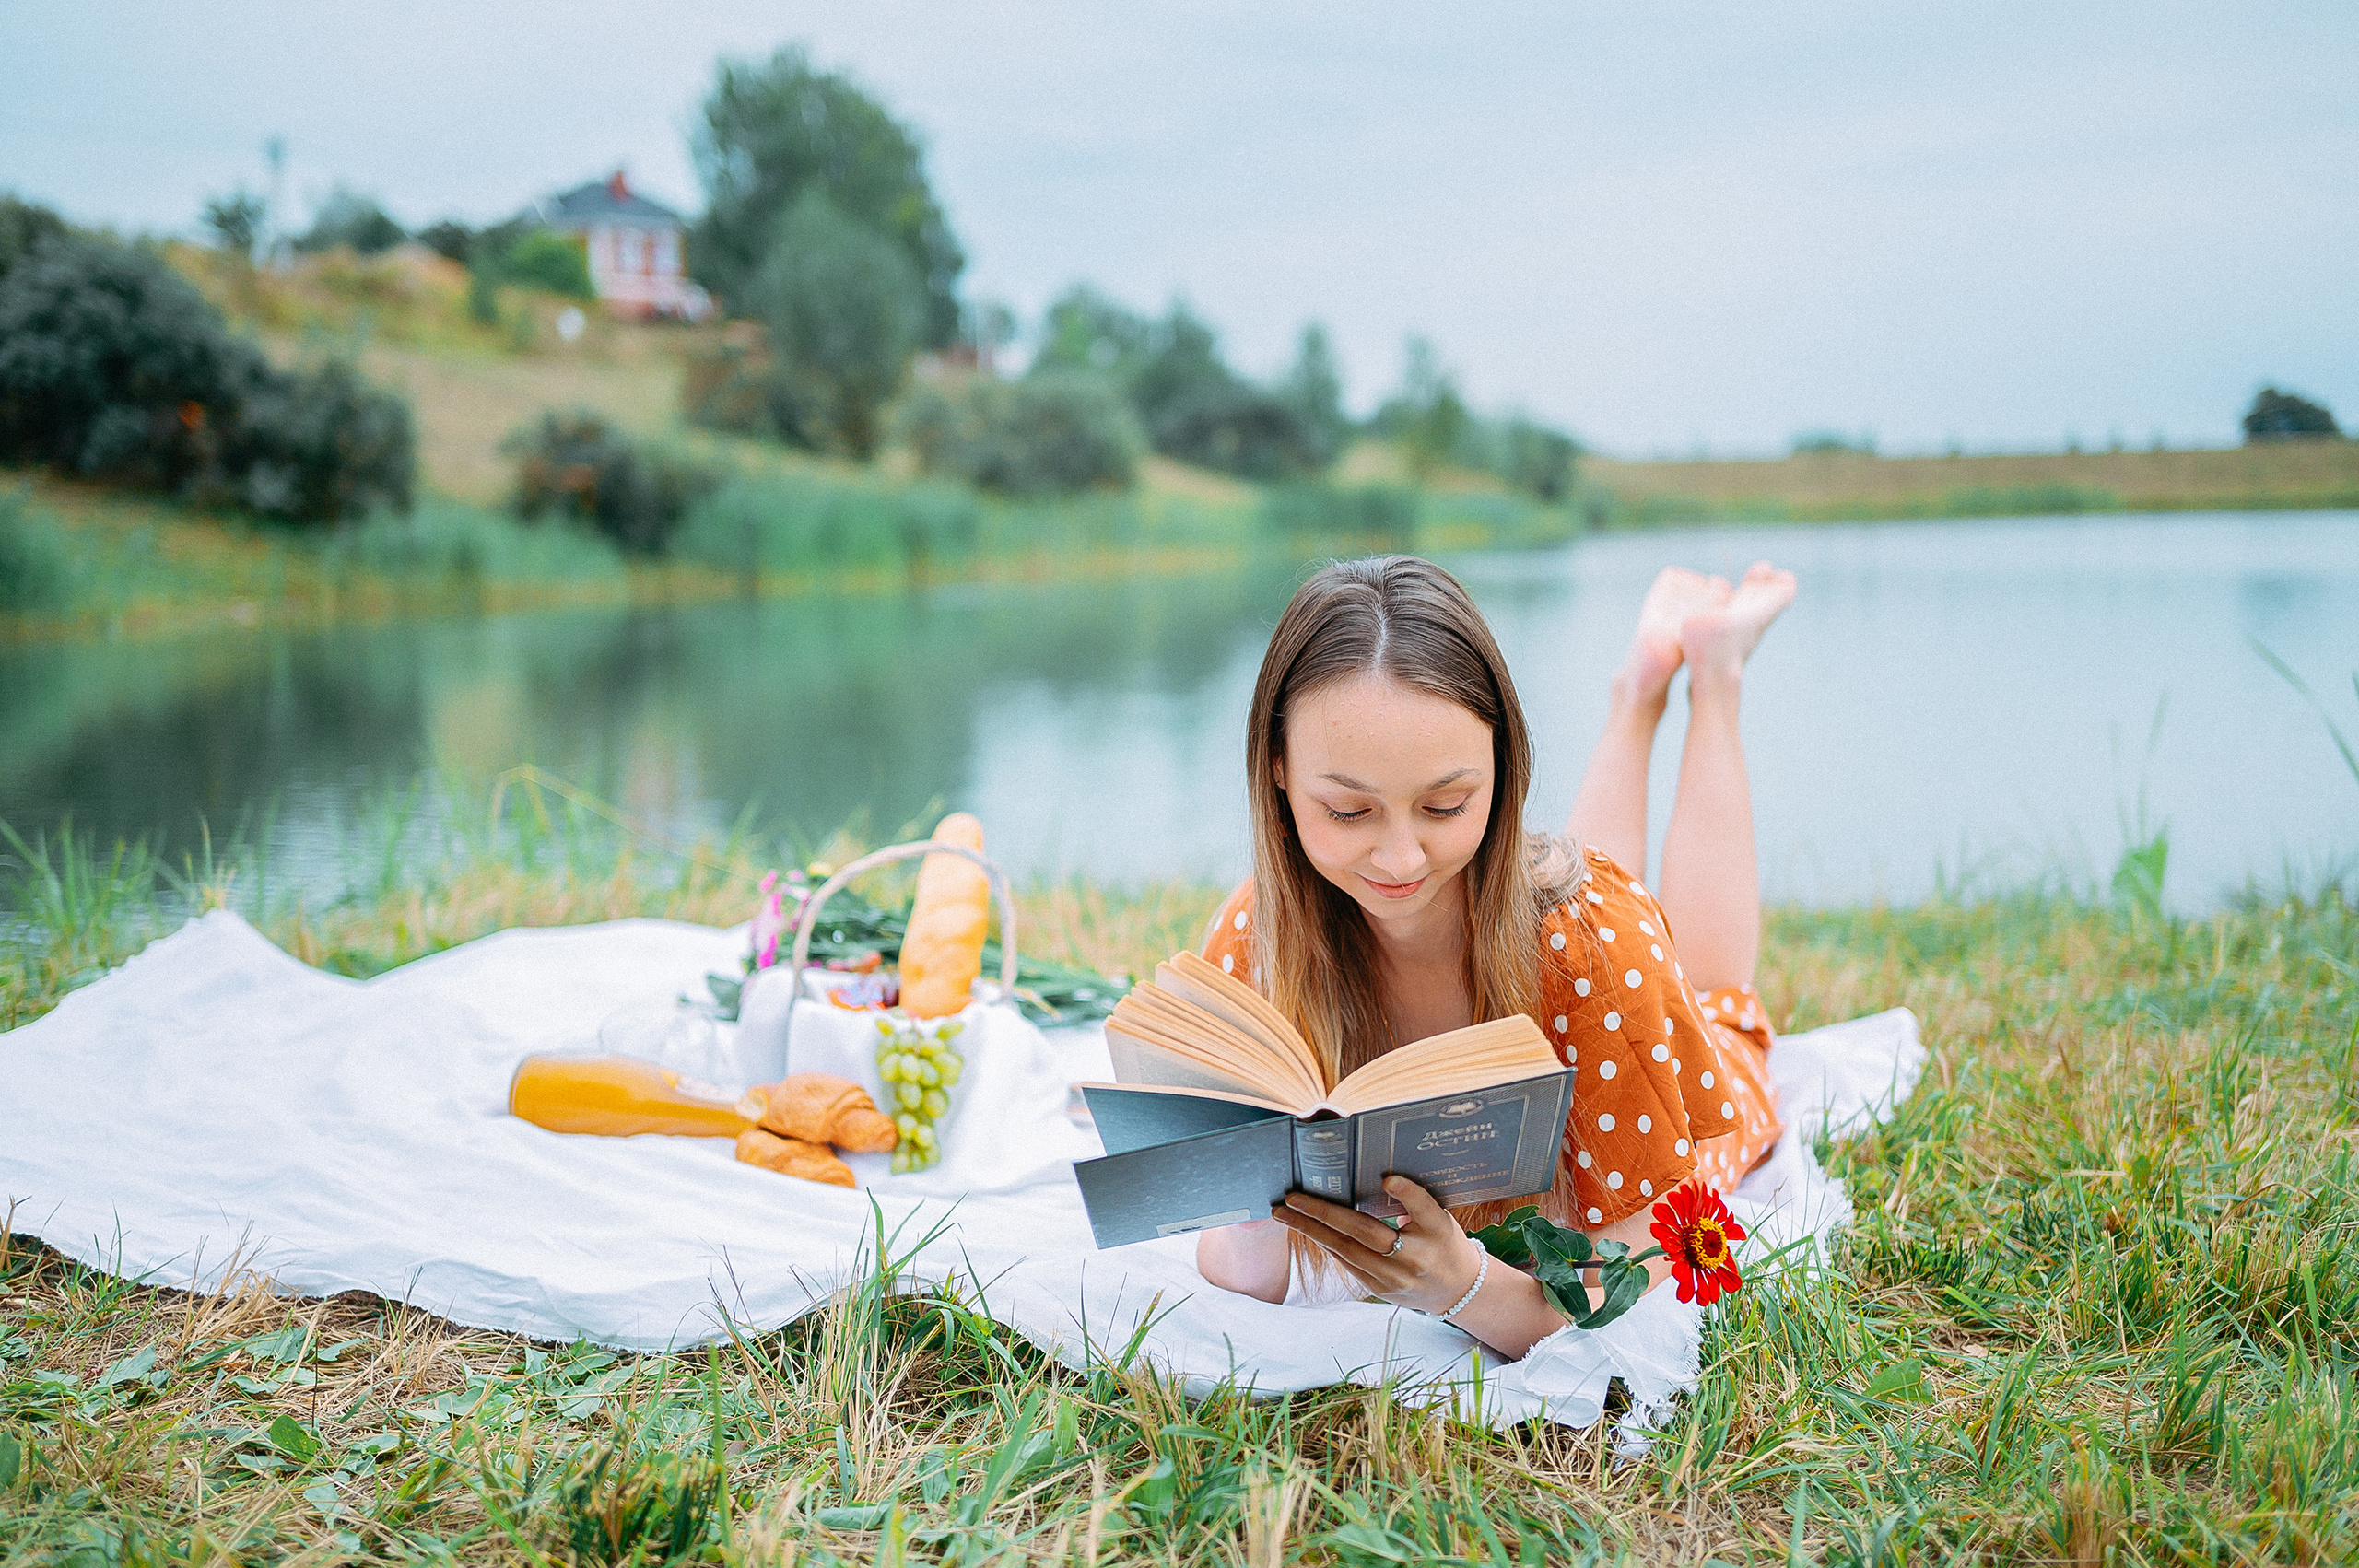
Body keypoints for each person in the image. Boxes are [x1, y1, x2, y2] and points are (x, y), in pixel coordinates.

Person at [1193, 555, 1798, 1358]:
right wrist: (1256, 1188)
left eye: (1447, 804)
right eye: (1347, 810)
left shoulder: (1591, 947)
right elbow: (1236, 1260)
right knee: (1577, 918)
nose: (1400, 858)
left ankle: (1713, 674)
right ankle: (1642, 685)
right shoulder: (1260, 941)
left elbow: (1642, 1256)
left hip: (1631, 1027)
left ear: (1502, 772)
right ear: (1277, 772)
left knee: (1713, 993)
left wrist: (1465, 1289)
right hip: (1580, 964)